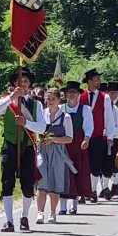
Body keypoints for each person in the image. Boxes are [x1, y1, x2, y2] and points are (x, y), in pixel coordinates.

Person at [0, 67, 47, 233]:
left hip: (28, 146)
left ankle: (24, 217)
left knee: (27, 184)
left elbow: (42, 128)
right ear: (15, 83)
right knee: (7, 182)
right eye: (20, 80)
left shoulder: (35, 104)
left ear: (29, 84)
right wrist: (11, 98)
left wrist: (26, 123)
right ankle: (9, 221)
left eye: (26, 81)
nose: (23, 83)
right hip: (10, 145)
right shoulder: (7, 101)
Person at [35, 88, 74, 224]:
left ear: (59, 100)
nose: (50, 102)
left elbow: (69, 138)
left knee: (55, 182)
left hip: (57, 152)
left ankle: (52, 212)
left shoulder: (65, 117)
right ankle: (40, 212)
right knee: (41, 180)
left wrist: (54, 140)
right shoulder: (41, 114)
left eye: (53, 99)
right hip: (42, 151)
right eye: (48, 99)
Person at [80, 68, 115, 202]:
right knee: (83, 165)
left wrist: (110, 136)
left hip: (98, 136)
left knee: (95, 165)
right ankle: (84, 191)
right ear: (89, 81)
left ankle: (93, 190)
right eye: (96, 80)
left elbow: (109, 117)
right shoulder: (81, 96)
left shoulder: (104, 97)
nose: (98, 82)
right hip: (83, 136)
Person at [58, 81, 93, 216]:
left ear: (79, 94)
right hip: (63, 142)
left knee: (77, 171)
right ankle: (62, 206)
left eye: (74, 92)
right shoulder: (61, 109)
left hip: (78, 142)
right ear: (65, 94)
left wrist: (86, 139)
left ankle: (74, 205)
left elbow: (89, 126)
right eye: (69, 92)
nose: (72, 95)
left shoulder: (85, 109)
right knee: (63, 173)